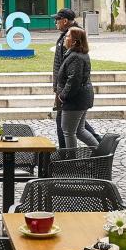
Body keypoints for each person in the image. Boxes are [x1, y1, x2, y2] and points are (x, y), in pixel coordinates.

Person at [51, 8, 101, 147]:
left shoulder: (74, 40)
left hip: (71, 95)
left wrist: (62, 95)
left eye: (57, 20)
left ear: (65, 21)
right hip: (69, 92)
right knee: (78, 128)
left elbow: (73, 78)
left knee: (68, 129)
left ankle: (68, 154)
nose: (55, 22)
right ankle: (99, 147)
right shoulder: (69, 37)